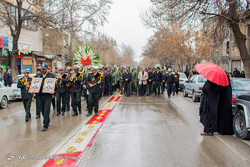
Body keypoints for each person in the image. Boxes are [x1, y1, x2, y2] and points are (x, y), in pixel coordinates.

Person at [33, 63, 54, 132]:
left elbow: (54, 84)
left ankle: (45, 125)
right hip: (39, 95)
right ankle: (47, 119)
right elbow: (34, 84)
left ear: (47, 69)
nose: (43, 70)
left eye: (44, 69)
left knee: (47, 109)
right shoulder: (38, 75)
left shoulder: (51, 75)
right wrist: (32, 90)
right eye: (42, 69)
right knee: (41, 109)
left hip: (47, 95)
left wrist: (53, 90)